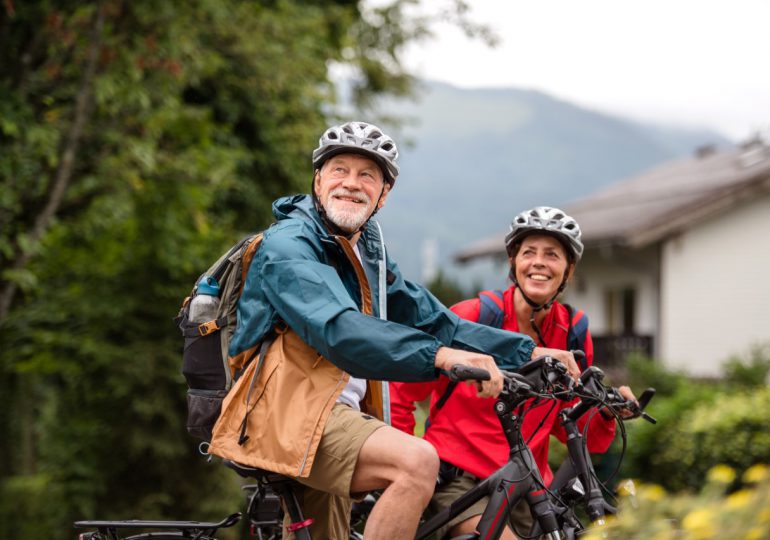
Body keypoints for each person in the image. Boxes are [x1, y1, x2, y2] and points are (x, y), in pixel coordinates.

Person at [207, 122, 580, 540]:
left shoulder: (364, 248)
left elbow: (435, 321)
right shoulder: (289, 246)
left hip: (330, 413)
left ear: (384, 194)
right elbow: (340, 331)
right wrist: (440, 357)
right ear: (317, 180)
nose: (351, 183)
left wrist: (527, 352)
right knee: (417, 462)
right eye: (339, 170)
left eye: (367, 175)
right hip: (280, 412)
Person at [391, 206, 637, 539]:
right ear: (513, 261)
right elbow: (400, 392)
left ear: (569, 270)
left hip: (527, 484)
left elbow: (575, 427)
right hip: (458, 479)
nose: (539, 262)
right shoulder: (473, 317)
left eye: (552, 255)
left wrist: (607, 412)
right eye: (529, 252)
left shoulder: (572, 333)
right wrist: (403, 464)